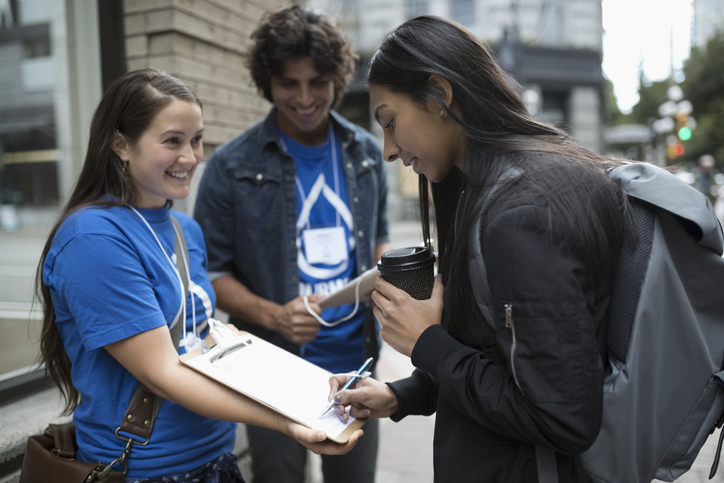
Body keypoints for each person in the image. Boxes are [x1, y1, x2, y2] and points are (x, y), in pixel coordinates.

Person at [328, 16, 632, 482]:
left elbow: (563, 417)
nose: (388, 149)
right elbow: (504, 359)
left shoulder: (524, 213)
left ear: (439, 94)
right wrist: (403, 395)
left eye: (390, 122)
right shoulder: (487, 186)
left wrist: (427, 343)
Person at [35, 68, 361, 482]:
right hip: (145, 470)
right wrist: (287, 421)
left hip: (216, 458)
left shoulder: (182, 228)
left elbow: (195, 339)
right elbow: (163, 372)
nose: (190, 157)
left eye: (196, 140)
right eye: (172, 141)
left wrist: (314, 387)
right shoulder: (92, 239)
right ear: (121, 145)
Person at [193, 6, 390, 483]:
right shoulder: (230, 166)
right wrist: (274, 315)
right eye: (289, 83)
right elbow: (211, 274)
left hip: (357, 366)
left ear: (337, 79)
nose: (304, 97)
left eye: (317, 82)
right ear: (268, 82)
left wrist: (390, 284)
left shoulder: (366, 151)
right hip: (273, 371)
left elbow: (378, 238)